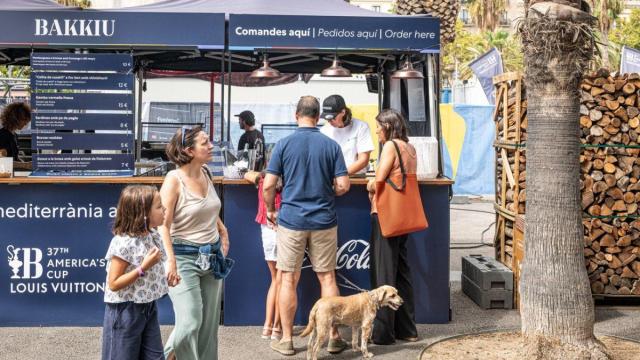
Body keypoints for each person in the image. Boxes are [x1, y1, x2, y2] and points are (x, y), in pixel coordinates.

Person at [264, 96, 350, 356]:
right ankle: (334, 337)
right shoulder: (331, 145)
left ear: (296, 115)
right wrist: (327, 192)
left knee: (288, 278)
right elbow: (344, 185)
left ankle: (288, 340)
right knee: (327, 277)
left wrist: (270, 209)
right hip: (324, 219)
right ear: (318, 116)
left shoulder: (283, 144)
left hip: (291, 220)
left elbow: (268, 184)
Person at [160, 126, 233, 360]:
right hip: (182, 257)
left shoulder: (207, 173)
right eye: (205, 142)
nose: (211, 145)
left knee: (208, 327)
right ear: (188, 150)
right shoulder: (173, 180)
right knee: (191, 322)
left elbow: (209, 208)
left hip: (211, 256)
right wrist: (170, 260)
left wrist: (222, 230)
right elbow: (163, 224)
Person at [366, 109, 419, 345]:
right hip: (403, 217)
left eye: (378, 126)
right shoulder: (410, 147)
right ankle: (407, 329)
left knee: (384, 272)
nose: (376, 130)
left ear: (387, 126)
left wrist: (369, 184)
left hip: (386, 215)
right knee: (401, 272)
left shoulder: (390, 147)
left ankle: (383, 334)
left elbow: (378, 180)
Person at [102, 185, 169, 360]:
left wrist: (169, 276)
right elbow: (114, 283)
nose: (165, 210)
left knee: (155, 356)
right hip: (125, 310)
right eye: (159, 207)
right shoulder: (124, 242)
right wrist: (143, 268)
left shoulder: (151, 234)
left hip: (147, 306)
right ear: (144, 213)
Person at [244, 170, 283, 340]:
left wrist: (258, 174)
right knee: (285, 280)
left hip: (267, 227)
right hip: (287, 226)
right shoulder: (291, 180)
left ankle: (268, 326)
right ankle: (277, 327)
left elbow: (246, 174)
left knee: (275, 279)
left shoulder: (263, 179)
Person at [320, 95, 374, 176]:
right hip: (332, 180)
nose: (330, 121)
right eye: (327, 119)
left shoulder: (361, 127)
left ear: (343, 112)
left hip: (356, 179)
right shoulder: (324, 131)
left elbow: (363, 160)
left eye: (332, 118)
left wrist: (341, 175)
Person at [0, 102, 32, 170]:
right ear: (15, 119)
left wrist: (25, 163)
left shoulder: (14, 135)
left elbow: (14, 157)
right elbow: (2, 161)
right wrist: (25, 165)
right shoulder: (2, 136)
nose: (26, 123)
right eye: (24, 120)